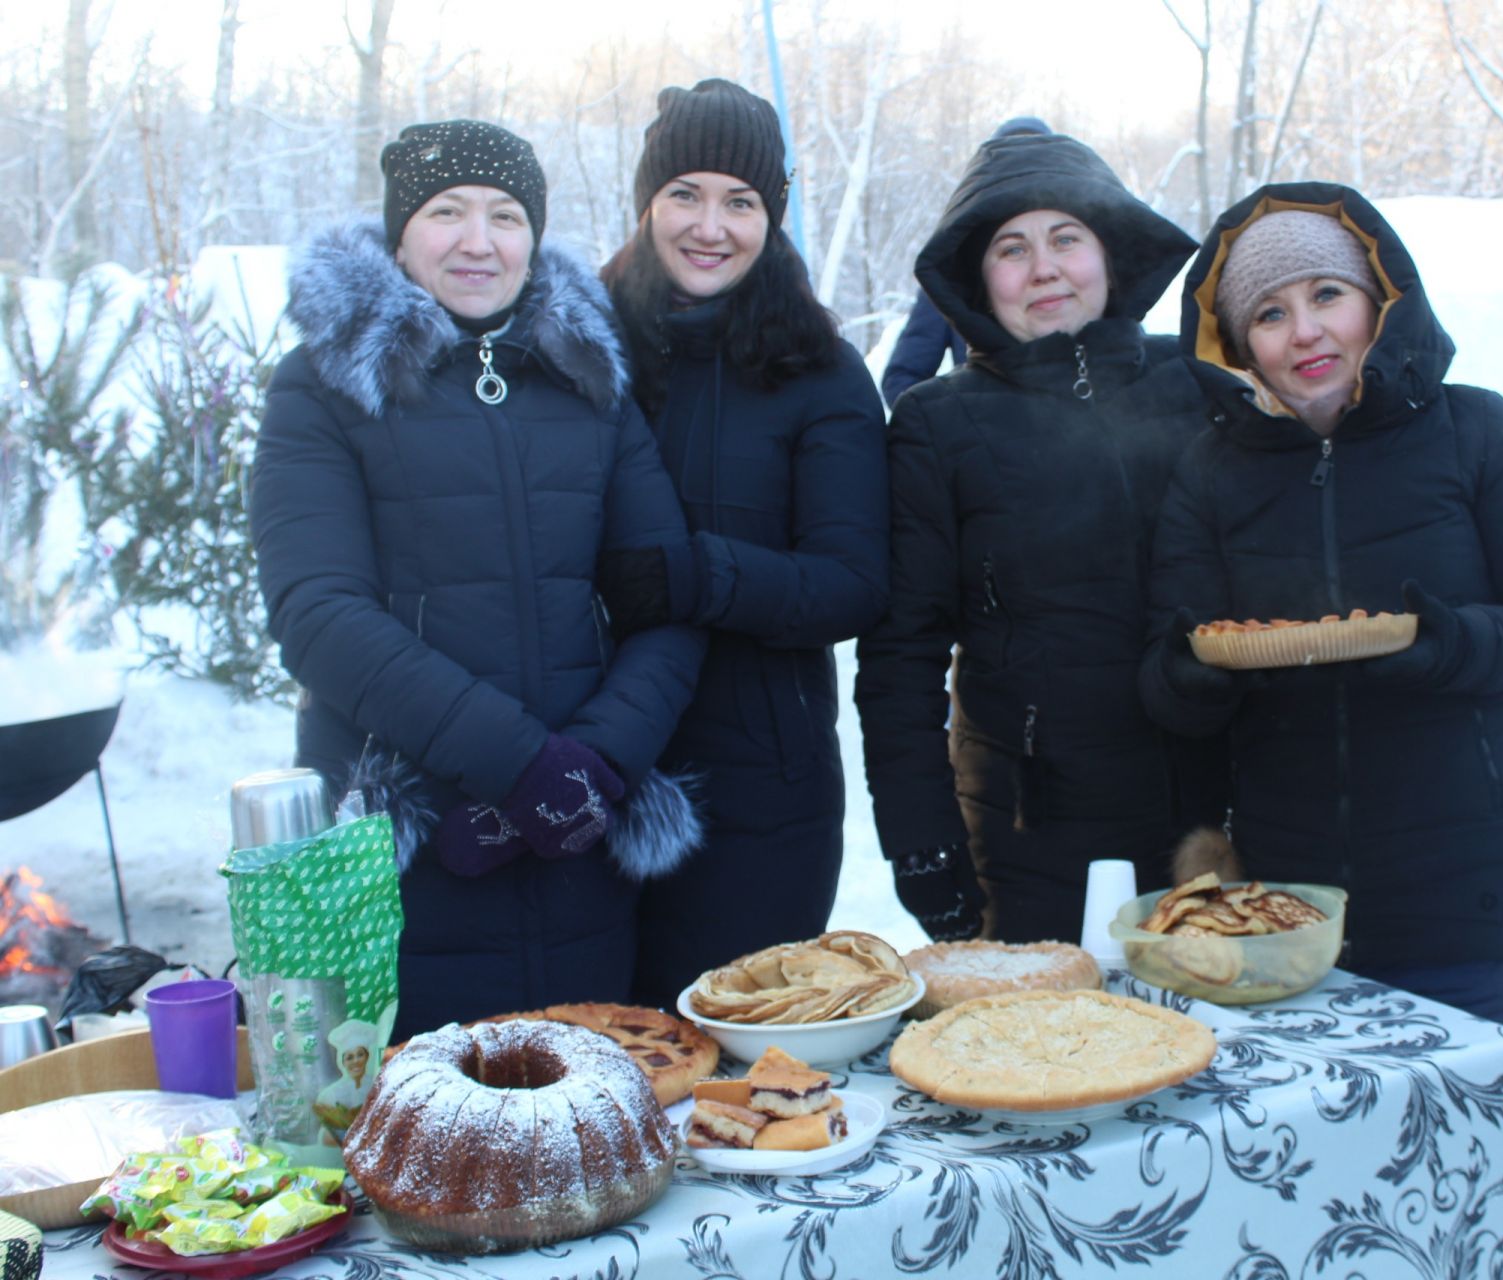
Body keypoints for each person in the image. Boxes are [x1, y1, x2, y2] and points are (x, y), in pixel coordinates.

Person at [250, 120, 706, 1040]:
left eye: (505, 215)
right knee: (432, 1141)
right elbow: (317, 613)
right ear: (400, 235)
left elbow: (666, 597)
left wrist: (594, 767)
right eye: (447, 212)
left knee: (588, 1126)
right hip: (407, 848)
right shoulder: (322, 388)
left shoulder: (590, 384)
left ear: (533, 236)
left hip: (581, 839)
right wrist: (516, 766)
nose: (478, 240)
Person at [1139, 183, 1503, 1025]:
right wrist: (1196, 674)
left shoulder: (1476, 433)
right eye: (1271, 313)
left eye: (1328, 295)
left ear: (1380, 302)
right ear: (1242, 343)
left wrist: (1451, 646)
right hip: (1281, 907)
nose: (1307, 331)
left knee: (1463, 1141)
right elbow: (1168, 674)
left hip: (1458, 890)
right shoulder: (1210, 472)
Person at [854, 131, 1228, 946]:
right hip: (1032, 840)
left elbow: (1310, 582)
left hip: (1215, 823)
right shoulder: (936, 425)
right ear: (978, 280)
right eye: (1011, 249)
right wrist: (922, 848)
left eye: (1067, 239)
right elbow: (900, 660)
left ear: (1109, 254)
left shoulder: (1200, 388)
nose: (1045, 268)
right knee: (1054, 1063)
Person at [597, 79, 889, 1005]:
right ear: (647, 202)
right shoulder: (582, 347)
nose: (709, 225)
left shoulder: (818, 369)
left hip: (760, 793)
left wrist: (693, 575)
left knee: (736, 1071)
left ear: (774, 217)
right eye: (685, 193)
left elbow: (850, 584)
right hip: (584, 771)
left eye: (741, 201)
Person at [879, 116, 1051, 409]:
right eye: (1010, 167)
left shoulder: (1079, 266)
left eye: (1035, 164)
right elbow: (903, 378)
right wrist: (955, 430)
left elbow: (1124, 362)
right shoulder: (953, 271)